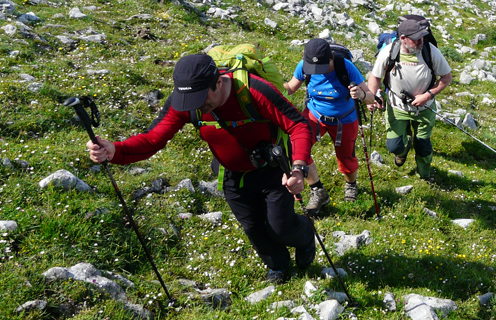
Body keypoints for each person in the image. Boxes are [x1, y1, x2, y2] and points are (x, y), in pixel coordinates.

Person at [85, 54, 316, 284]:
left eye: (201, 99)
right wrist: (115, 151)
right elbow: (153, 139)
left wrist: (298, 169)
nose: (195, 106)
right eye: (189, 100)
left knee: (280, 227)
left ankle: (305, 236)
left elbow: (298, 125)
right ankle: (278, 265)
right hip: (232, 174)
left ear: (218, 82)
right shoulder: (187, 100)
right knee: (253, 227)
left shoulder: (253, 90)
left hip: (273, 170)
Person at [283, 38, 378, 215]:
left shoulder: (346, 67)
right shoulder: (304, 66)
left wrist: (361, 94)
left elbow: (371, 98)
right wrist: (267, 83)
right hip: (314, 115)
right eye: (313, 68)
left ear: (331, 59)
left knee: (346, 158)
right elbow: (289, 88)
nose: (318, 72)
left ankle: (351, 184)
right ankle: (317, 190)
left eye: (322, 68)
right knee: (298, 150)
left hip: (345, 120)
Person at [367, 18, 452, 180]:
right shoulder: (390, 52)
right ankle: (402, 151)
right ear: (403, 38)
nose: (420, 41)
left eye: (422, 37)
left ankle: (424, 176)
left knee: (423, 146)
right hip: (396, 106)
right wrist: (373, 97)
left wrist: (427, 96)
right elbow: (375, 77)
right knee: (394, 146)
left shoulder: (430, 50)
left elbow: (447, 78)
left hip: (424, 109)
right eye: (416, 39)